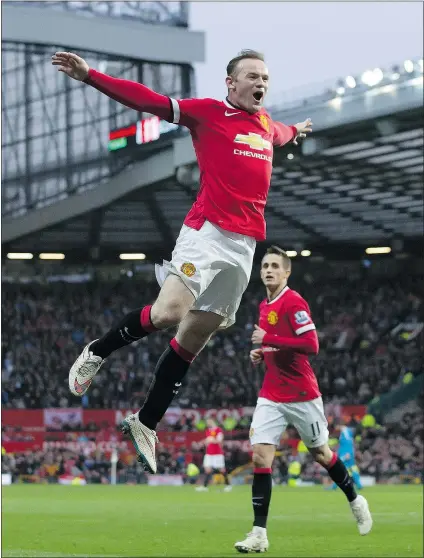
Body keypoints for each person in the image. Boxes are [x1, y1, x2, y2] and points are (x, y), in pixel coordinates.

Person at [51, 49, 312, 475]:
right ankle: (98, 350)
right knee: (170, 312)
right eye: (252, 76)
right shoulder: (208, 113)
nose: (261, 82)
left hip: (244, 247)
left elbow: (281, 133)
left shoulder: (266, 125)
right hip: (207, 231)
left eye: (265, 76)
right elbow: (149, 101)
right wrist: (91, 76)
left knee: (194, 338)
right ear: (231, 83)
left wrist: (296, 129)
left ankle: (145, 422)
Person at [234, 246, 372, 553]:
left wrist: (267, 340)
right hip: (271, 393)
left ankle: (355, 498)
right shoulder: (262, 305)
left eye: (275, 266)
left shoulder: (294, 301)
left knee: (321, 454)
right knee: (260, 456)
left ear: (286, 272)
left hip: (301, 395)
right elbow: (277, 345)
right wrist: (262, 353)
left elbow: (311, 344)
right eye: (265, 265)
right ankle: (259, 533)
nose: (268, 270)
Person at [195, 418, 232, 492]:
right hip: (209, 453)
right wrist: (201, 443)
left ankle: (228, 485)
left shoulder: (218, 430)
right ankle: (204, 487)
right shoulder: (208, 431)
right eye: (207, 422)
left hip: (217, 454)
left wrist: (212, 440)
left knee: (222, 469)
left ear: (212, 422)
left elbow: (220, 440)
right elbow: (207, 440)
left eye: (209, 422)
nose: (208, 423)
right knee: (207, 470)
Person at [330, 420, 363, 491]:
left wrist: (348, 453)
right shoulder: (345, 432)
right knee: (351, 468)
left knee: (339, 469)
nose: (335, 429)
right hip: (346, 453)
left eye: (335, 427)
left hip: (346, 454)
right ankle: (359, 485)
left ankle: (334, 487)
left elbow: (348, 443)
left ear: (338, 425)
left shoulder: (345, 431)